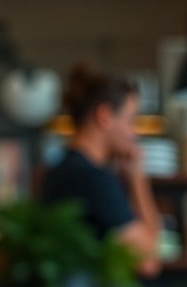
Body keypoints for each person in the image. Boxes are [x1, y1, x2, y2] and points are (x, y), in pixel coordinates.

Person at [41, 63, 161, 275]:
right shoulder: (92, 179)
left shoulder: (58, 172)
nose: (135, 134)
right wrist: (137, 179)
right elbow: (149, 261)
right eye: (131, 120)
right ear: (104, 116)